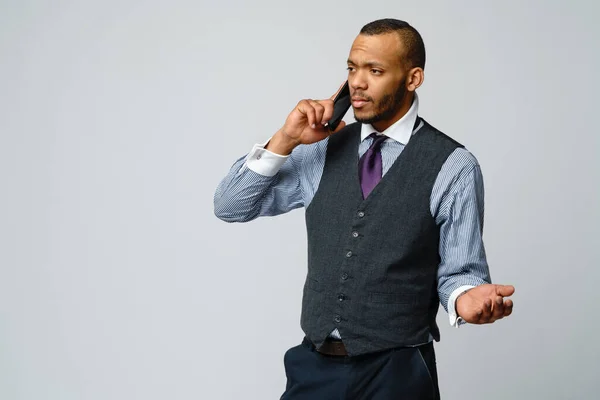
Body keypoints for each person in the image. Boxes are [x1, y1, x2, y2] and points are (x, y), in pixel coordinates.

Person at [214, 18, 515, 400]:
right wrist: (285, 138)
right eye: (352, 69)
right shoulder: (322, 149)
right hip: (315, 366)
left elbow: (460, 271)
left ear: (413, 78)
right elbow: (231, 205)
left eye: (375, 71)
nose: (358, 82)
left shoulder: (453, 165)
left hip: (398, 372)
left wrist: (464, 299)